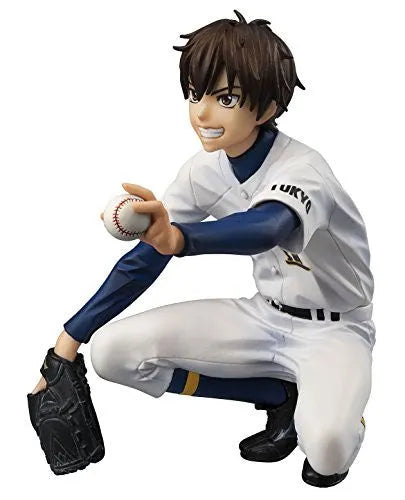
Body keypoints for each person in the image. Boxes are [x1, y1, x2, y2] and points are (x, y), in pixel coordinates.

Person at [30, 11, 374, 487]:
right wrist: (68, 340)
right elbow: (148, 255)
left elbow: (267, 226)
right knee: (112, 352)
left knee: (328, 450)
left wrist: (184, 239)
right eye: (196, 94)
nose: (202, 114)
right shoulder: (204, 169)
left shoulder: (303, 168)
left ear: (268, 106)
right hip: (264, 316)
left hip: (336, 330)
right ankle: (277, 396)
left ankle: (339, 413)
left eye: (225, 98)